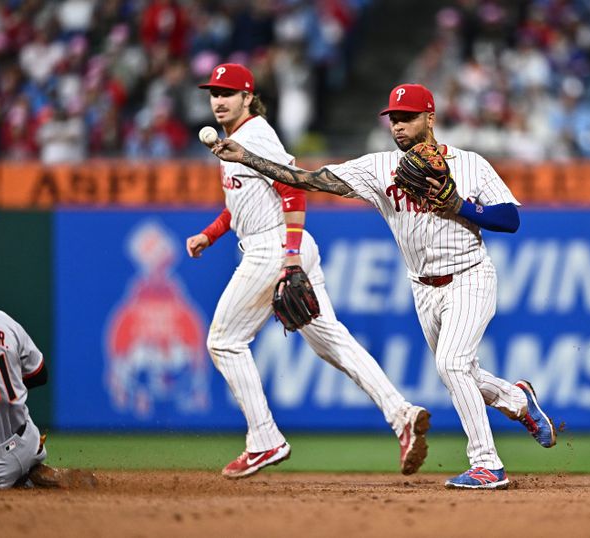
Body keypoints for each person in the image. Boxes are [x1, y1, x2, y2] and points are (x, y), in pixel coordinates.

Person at [208, 83, 557, 490]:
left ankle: (487, 463)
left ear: (430, 118)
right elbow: (309, 179)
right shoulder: (379, 168)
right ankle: (517, 400)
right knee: (465, 372)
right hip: (423, 287)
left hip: (470, 275)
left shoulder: (469, 164)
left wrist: (460, 206)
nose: (399, 126)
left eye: (407, 117)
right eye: (393, 118)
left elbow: (510, 220)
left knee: (452, 365)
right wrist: (249, 158)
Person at [186, 64, 430, 479]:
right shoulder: (234, 141)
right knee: (332, 343)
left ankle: (264, 440)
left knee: (225, 341)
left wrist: (291, 256)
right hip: (282, 244)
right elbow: (242, 200)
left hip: (276, 247)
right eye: (214, 93)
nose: (219, 100)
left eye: (228, 92)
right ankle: (401, 414)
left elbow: (292, 187)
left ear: (248, 97)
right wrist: (210, 234)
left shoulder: (255, 135)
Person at [0, 252, 94, 490]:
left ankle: (3, 480)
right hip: (28, 446)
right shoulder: (0, 319)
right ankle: (27, 474)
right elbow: (39, 374)